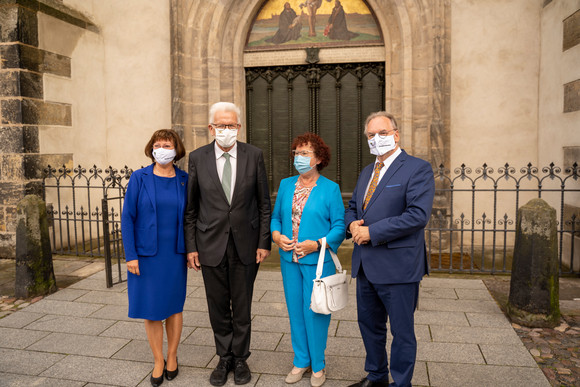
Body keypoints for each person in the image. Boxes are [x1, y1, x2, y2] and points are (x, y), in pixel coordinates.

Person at [184, 102, 271, 386]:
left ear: (239, 128)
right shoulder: (197, 158)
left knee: (242, 305)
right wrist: (191, 247)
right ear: (211, 128)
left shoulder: (254, 155)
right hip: (210, 244)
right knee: (218, 305)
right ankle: (224, 357)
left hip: (246, 243)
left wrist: (264, 242)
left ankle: (241, 358)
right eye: (220, 125)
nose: (226, 130)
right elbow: (191, 208)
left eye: (231, 125)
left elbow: (263, 204)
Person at [345, 112, 435, 387]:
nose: (376, 139)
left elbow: (417, 215)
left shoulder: (417, 168)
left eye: (382, 133)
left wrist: (372, 232)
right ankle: (377, 376)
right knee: (369, 326)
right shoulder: (367, 171)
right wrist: (352, 226)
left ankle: (401, 382)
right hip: (365, 266)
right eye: (371, 135)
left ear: (396, 135)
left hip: (398, 266)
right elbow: (352, 208)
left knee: (402, 331)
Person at [271, 133, 345, 387]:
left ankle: (318, 365)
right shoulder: (285, 185)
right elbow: (276, 218)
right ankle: (301, 360)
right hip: (288, 260)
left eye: (305, 153)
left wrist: (317, 243)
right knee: (295, 312)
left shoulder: (331, 189)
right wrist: (277, 235)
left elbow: (339, 227)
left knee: (315, 312)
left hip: (317, 262)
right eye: (297, 153)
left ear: (319, 158)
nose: (299, 158)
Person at [121, 129, 189, 387]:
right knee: (151, 310)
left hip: (175, 254)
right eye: (158, 144)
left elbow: (191, 218)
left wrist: (193, 251)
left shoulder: (185, 179)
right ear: (151, 148)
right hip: (146, 255)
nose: (162, 149)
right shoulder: (139, 177)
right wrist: (131, 255)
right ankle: (158, 359)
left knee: (174, 307)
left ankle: (172, 356)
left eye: (167, 144)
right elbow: (128, 217)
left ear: (176, 149)